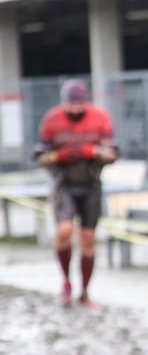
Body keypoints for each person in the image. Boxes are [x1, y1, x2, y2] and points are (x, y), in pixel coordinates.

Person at [33, 79, 119, 307]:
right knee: (64, 230)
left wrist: (92, 151)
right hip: (65, 184)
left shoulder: (100, 118)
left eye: (79, 105)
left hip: (90, 183)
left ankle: (85, 292)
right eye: (72, 105)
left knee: (88, 239)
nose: (75, 110)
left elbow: (112, 153)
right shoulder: (53, 120)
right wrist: (58, 156)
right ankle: (66, 283)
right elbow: (40, 156)